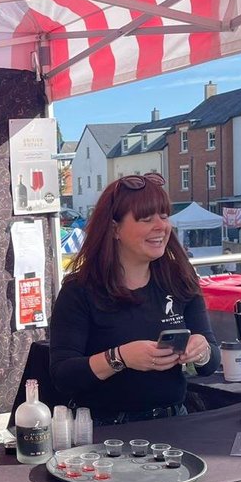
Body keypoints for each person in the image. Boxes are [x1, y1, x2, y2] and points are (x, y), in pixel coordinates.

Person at [50, 172, 220, 425]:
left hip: (174, 423)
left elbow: (211, 361)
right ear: (114, 229)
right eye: (146, 219)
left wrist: (201, 350)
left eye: (163, 216)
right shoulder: (80, 290)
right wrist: (120, 358)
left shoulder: (180, 279)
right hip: (105, 429)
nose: (161, 226)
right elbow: (63, 376)